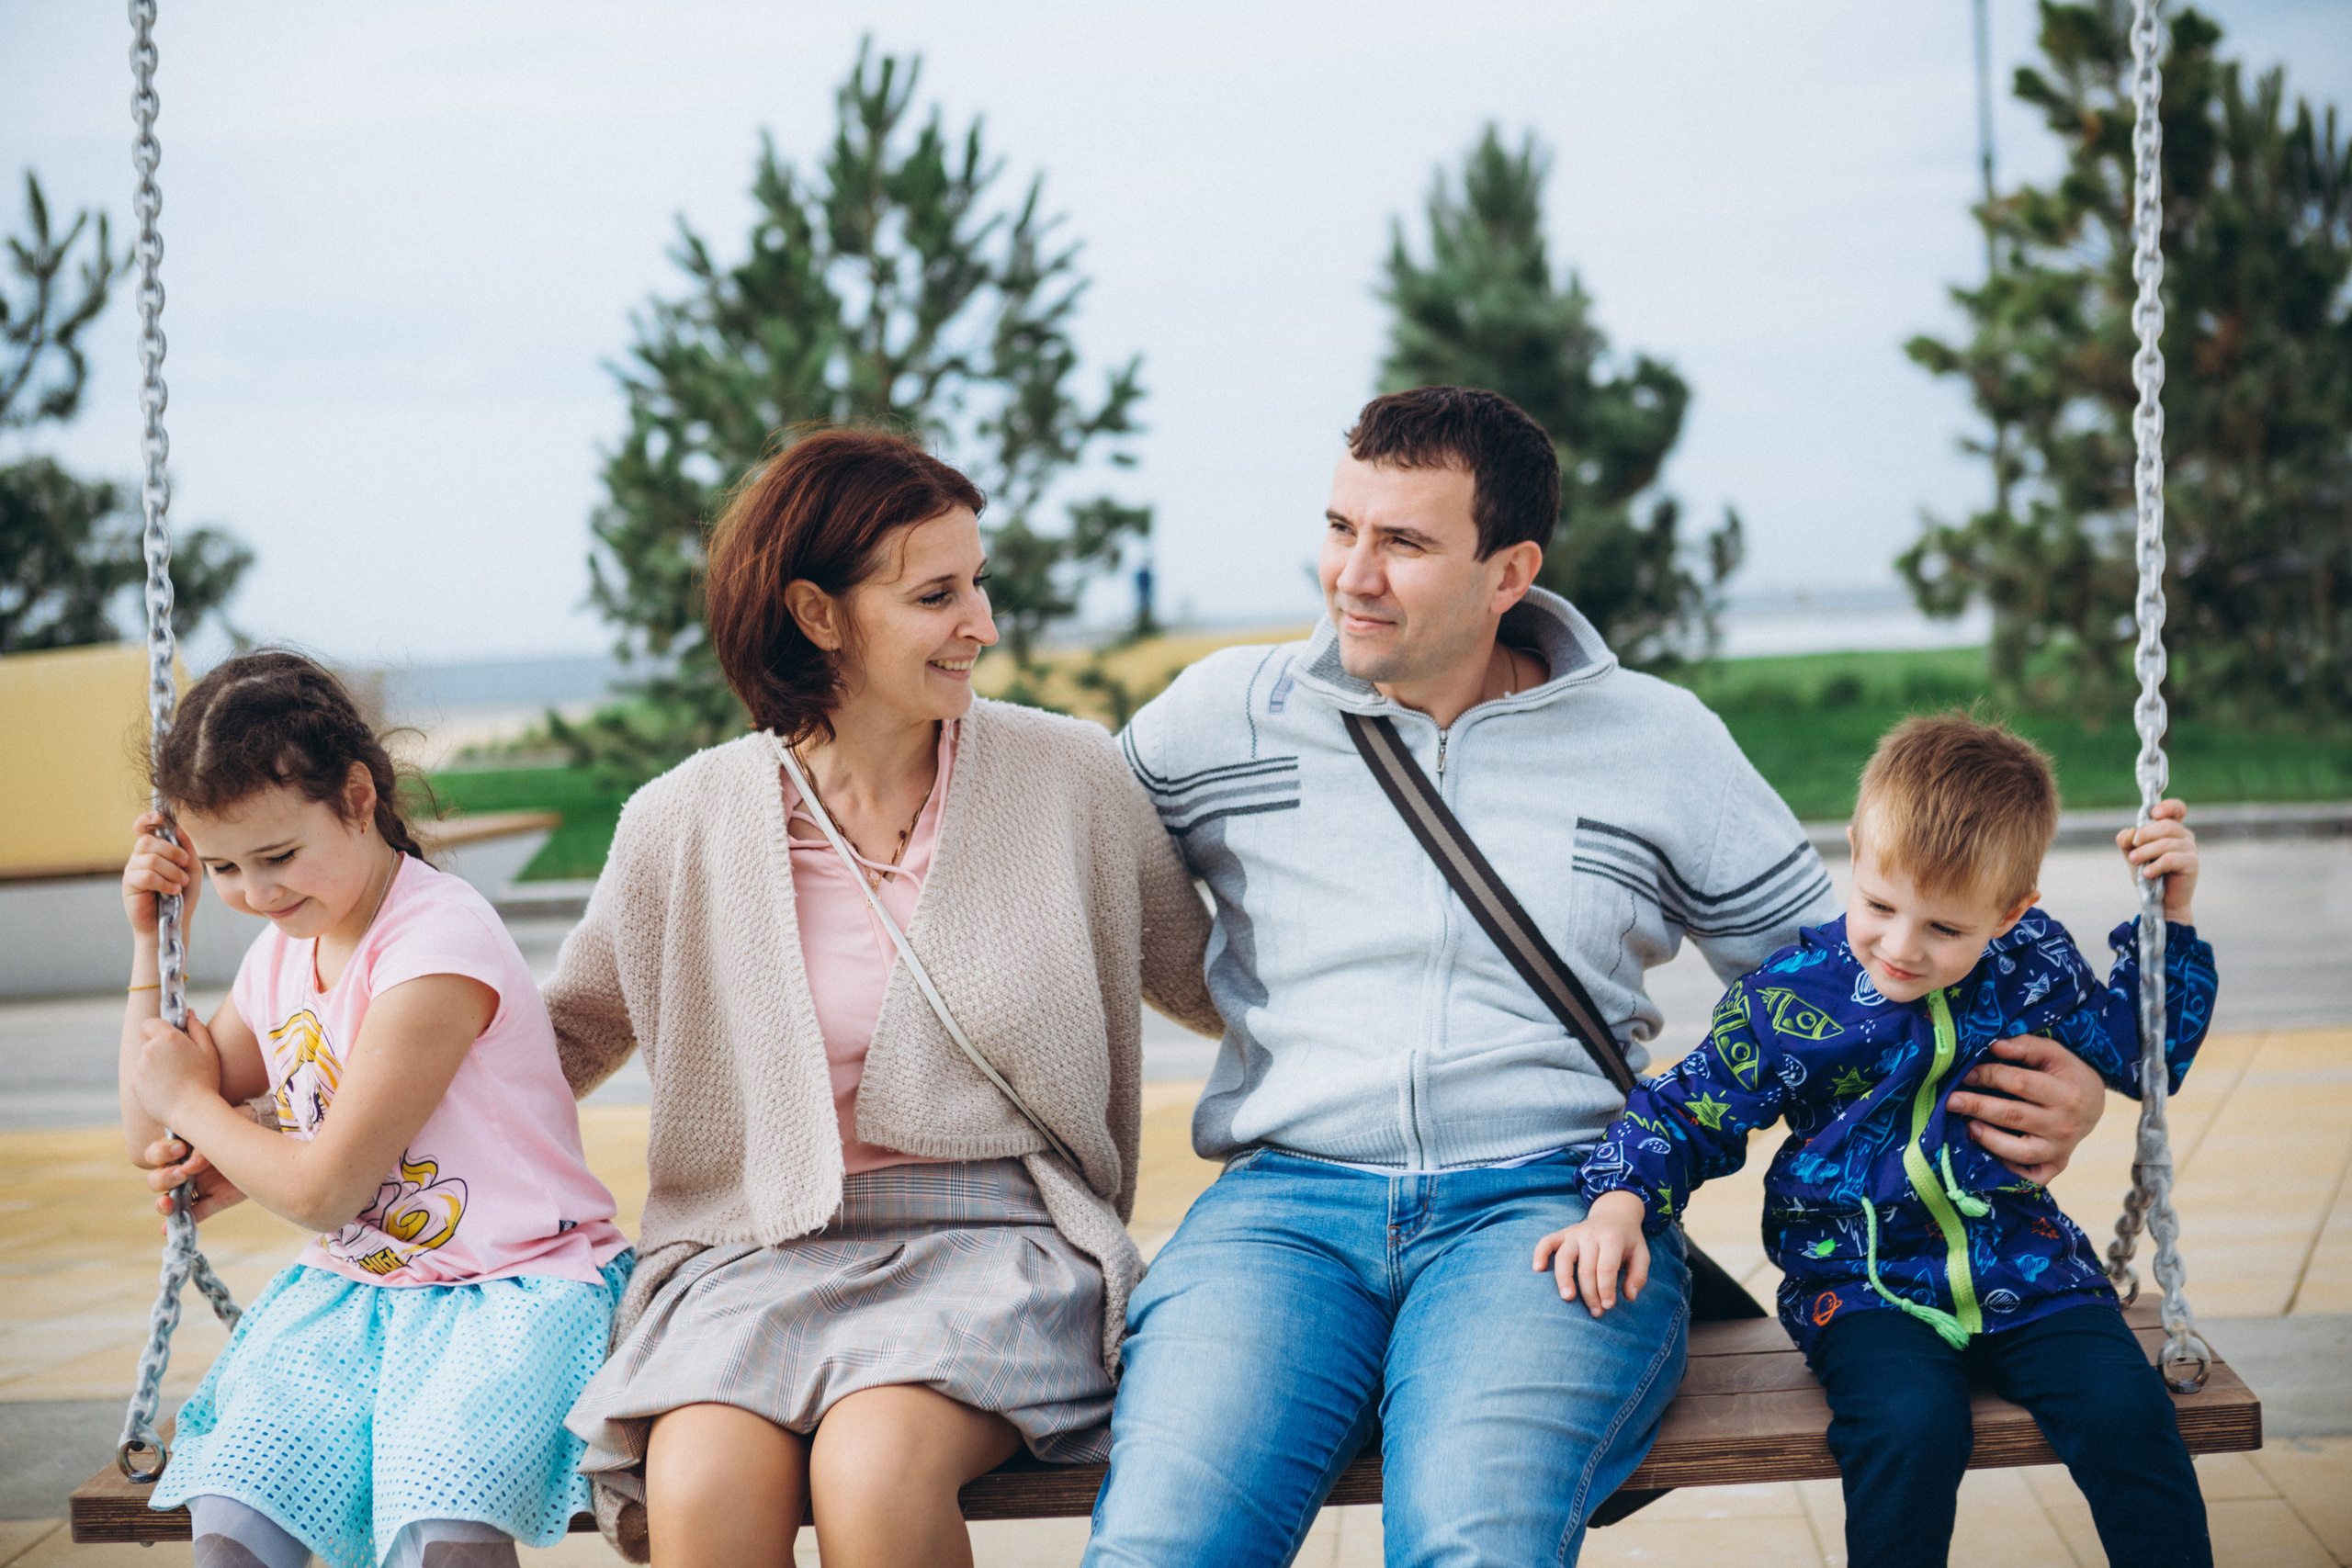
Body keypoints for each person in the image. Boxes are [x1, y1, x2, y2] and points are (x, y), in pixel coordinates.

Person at [1084, 387, 2115, 1566]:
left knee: (1477, 1548)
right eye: (1340, 528)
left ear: (1508, 571)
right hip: (1281, 1215)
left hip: (1553, 1213)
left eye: (1404, 543)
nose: (1351, 576)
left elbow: (1850, 977)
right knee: (1161, 1550)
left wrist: (2060, 1081)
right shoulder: (1228, 714)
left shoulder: (1656, 740)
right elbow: (1050, 841)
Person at [546, 426, 1218, 1568]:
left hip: (1000, 1242)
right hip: (750, 1251)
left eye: (980, 583)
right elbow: (553, 1038)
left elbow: (1225, 981)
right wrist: (275, 1106)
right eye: (937, 595)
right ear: (819, 615)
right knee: (699, 1484)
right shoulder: (682, 820)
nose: (983, 625)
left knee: (874, 1470)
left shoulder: (1071, 781)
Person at [1543, 714, 2216, 1568]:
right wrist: (1619, 1202)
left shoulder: (2034, 966)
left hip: (2030, 1269)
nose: (1901, 948)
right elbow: (1687, 1108)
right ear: (1856, 851)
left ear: (2012, 912)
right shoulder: (1799, 997)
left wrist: (2174, 915)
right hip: (1859, 1285)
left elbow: (2143, 1052)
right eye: (1880, 905)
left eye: (1945, 929)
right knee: (1908, 1428)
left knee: (2130, 1417)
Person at [118, 651, 633, 1568]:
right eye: (225, 867)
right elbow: (156, 1130)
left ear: (358, 798)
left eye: (278, 856)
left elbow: (322, 1189)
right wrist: (153, 946)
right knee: (233, 1518)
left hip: (510, 1292)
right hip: (357, 1298)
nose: (258, 894)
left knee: (438, 1528)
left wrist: (204, 1109)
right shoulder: (285, 951)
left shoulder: (438, 944)